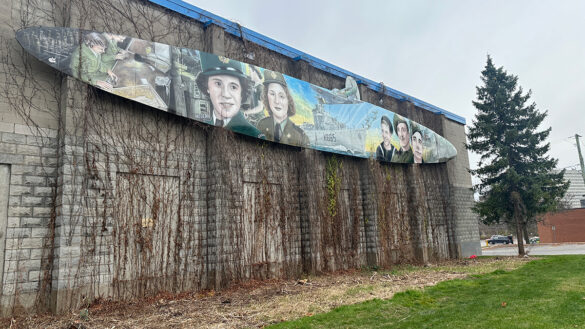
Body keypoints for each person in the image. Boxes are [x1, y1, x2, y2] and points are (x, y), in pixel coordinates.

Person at [195, 52, 265, 139]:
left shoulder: (254, 134)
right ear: (207, 87)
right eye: (218, 84)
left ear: (241, 92)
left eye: (233, 87)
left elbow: (260, 106)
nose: (226, 95)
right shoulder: (201, 127)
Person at [256, 70, 310, 147]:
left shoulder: (301, 136)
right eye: (272, 94)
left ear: (288, 100)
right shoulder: (261, 125)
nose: (277, 101)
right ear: (266, 97)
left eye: (281, 96)